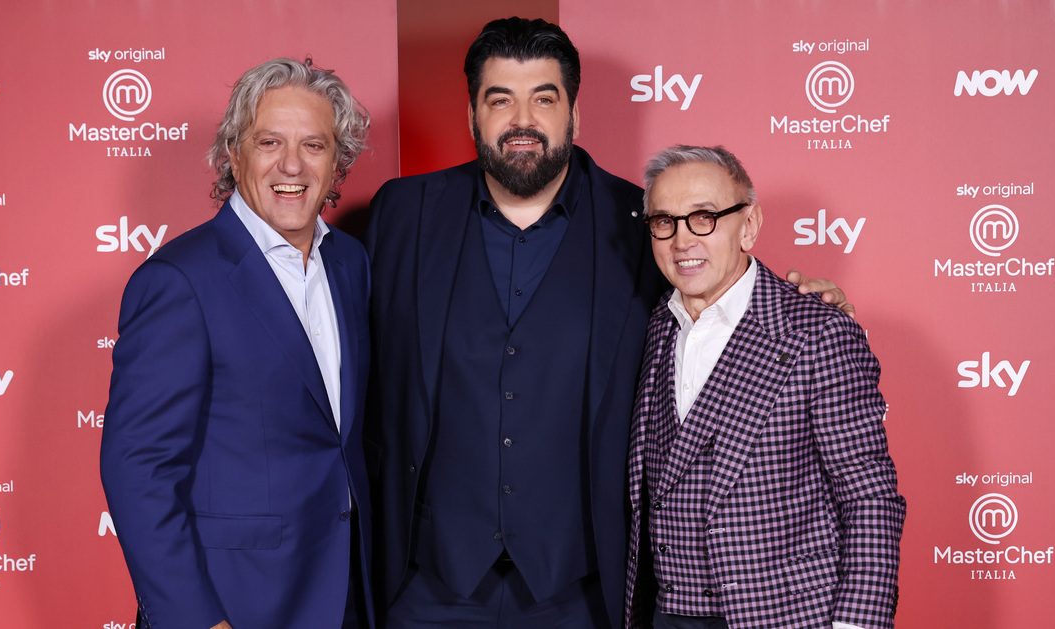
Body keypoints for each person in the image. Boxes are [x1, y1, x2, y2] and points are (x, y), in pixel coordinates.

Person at [365, 17, 852, 629]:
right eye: (500, 100)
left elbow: (714, 282)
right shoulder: (403, 214)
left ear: (573, 113)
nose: (523, 120)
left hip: (581, 592)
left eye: (544, 98)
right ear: (472, 115)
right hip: (428, 587)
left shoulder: (638, 220)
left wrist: (801, 300)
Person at [100, 57, 373, 629]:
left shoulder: (351, 264)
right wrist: (197, 620)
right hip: (235, 605)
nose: (291, 164)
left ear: (338, 160)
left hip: (344, 596)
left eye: (314, 145)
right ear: (234, 152)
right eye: (269, 141)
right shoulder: (180, 281)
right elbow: (138, 468)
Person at [623, 145, 904, 629]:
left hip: (781, 616)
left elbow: (869, 495)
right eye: (664, 221)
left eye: (704, 218)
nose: (682, 240)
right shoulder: (654, 326)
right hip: (664, 614)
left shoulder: (818, 332)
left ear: (749, 225)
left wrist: (857, 624)